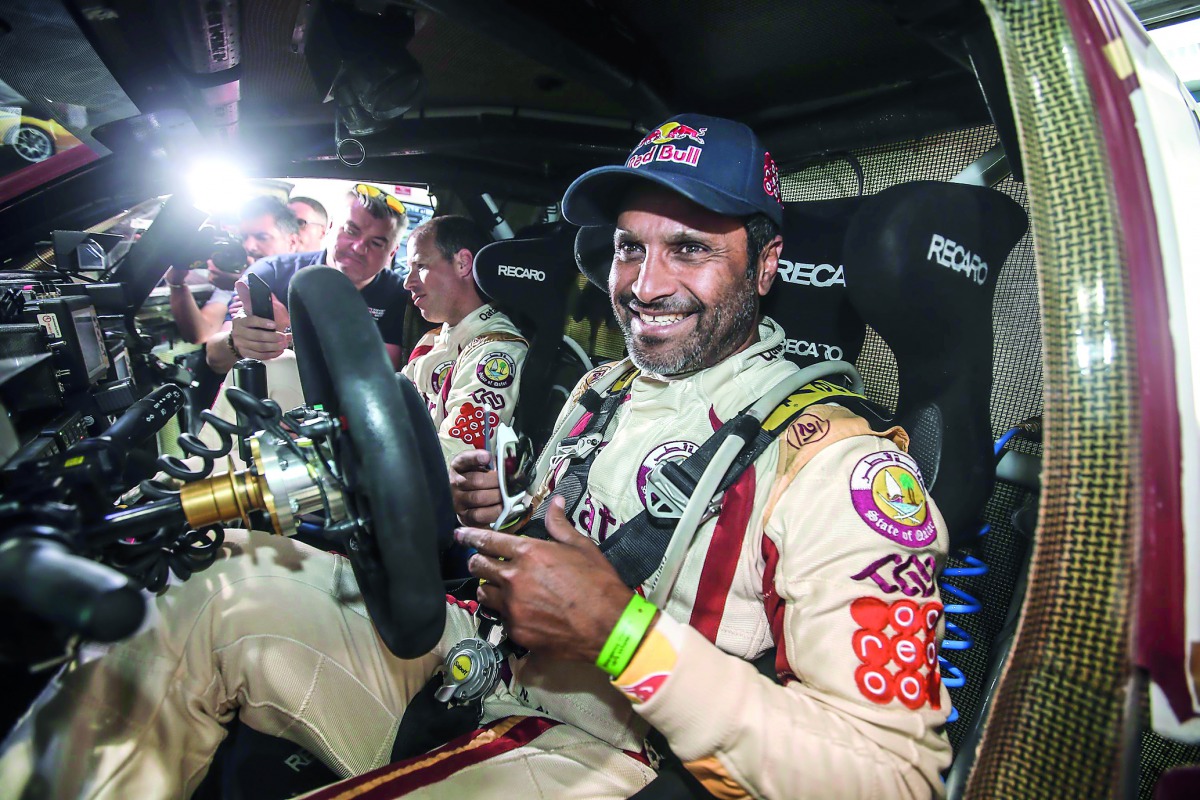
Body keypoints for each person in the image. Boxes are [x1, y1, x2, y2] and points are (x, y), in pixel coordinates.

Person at [0, 115, 951, 799]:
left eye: (689, 249)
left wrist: (620, 632)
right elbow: (546, 556)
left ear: (769, 264)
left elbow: (892, 779)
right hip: (486, 672)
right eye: (628, 250)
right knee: (227, 585)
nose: (646, 286)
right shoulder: (603, 390)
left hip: (629, 759)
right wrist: (501, 517)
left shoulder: (846, 470)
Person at [206, 184, 410, 374]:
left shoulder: (399, 295)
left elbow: (378, 373)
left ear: (392, 253)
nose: (358, 247)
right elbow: (215, 359)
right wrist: (236, 342)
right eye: (350, 231)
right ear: (330, 228)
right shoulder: (271, 273)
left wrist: (289, 330)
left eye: (376, 243)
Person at [401, 215, 528, 463]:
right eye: (408, 269)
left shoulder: (497, 352)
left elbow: (456, 457)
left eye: (421, 267)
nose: (408, 282)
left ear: (463, 264)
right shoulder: (432, 340)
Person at [165, 195, 301, 345]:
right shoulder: (237, 278)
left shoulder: (305, 282)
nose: (249, 246)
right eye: (244, 237)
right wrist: (177, 282)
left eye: (262, 237)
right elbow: (201, 334)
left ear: (291, 242)